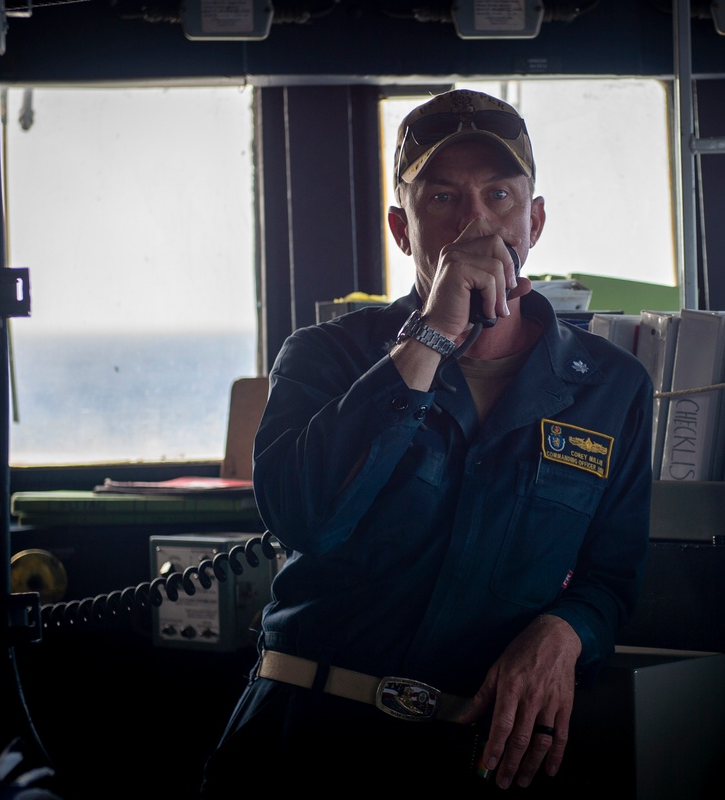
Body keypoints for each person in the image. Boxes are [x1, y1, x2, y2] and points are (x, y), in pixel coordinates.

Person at [200, 89, 653, 795]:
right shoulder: (323, 356)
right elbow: (306, 518)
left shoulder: (611, 386)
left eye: (499, 194)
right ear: (401, 229)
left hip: (479, 759)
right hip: (307, 743)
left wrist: (565, 632)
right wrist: (431, 336)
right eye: (441, 197)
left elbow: (610, 581)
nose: (477, 221)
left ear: (534, 219)